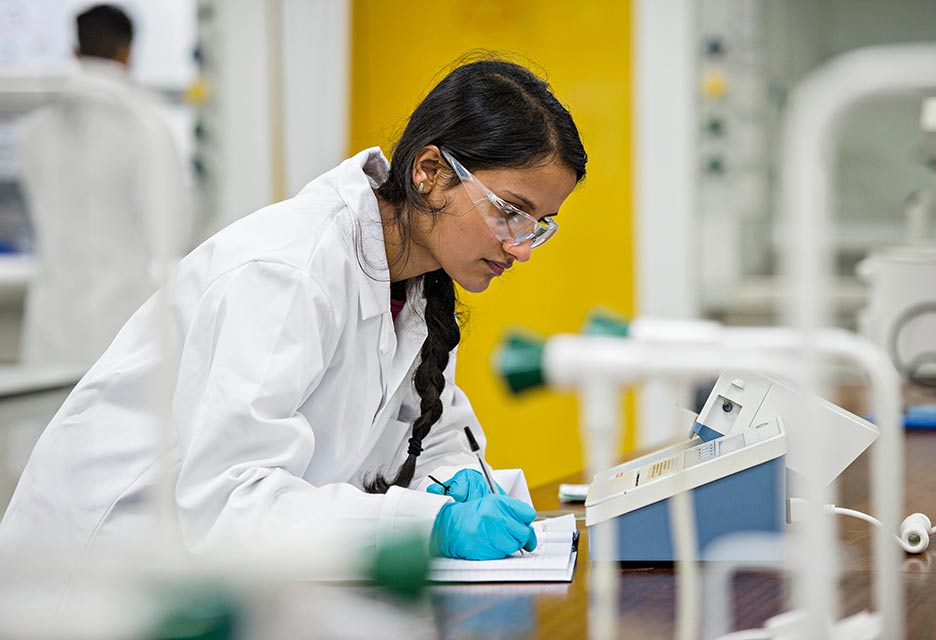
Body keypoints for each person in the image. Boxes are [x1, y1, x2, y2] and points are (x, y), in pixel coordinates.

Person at [0, 57, 587, 586]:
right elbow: (232, 508)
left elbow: (429, 441)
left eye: (540, 224)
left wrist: (458, 479)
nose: (523, 247)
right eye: (512, 212)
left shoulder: (419, 287)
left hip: (207, 584)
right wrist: (429, 524)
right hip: (93, 581)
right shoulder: (289, 273)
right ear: (429, 171)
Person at [17, 4, 191, 368]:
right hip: (121, 314)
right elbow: (170, 231)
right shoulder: (145, 123)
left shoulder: (36, 125)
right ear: (128, 52)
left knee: (47, 418)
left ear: (75, 51)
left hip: (52, 314)